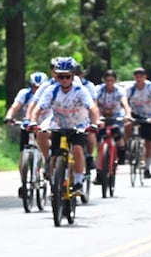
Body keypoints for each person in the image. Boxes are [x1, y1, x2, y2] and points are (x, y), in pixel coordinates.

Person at [28, 57, 99, 199]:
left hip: (78, 125)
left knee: (78, 150)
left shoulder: (80, 90)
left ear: (73, 76)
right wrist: (33, 121)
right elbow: (38, 108)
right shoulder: (51, 90)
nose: (65, 80)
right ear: (56, 76)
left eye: (68, 76)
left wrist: (94, 124)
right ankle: (55, 184)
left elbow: (92, 108)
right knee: (54, 156)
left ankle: (78, 182)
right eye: (61, 76)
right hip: (59, 125)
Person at [5, 71, 49, 196]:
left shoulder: (49, 95)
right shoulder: (24, 94)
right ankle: (24, 183)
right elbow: (15, 106)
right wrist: (9, 117)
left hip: (44, 126)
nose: (37, 90)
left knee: (47, 146)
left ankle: (47, 166)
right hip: (28, 125)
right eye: (34, 87)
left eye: (39, 87)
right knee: (22, 155)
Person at [93, 69, 132, 183]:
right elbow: (94, 104)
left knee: (117, 133)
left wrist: (128, 114)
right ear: (104, 80)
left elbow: (125, 103)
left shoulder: (119, 91)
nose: (109, 83)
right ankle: (99, 171)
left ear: (115, 81)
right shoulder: (98, 90)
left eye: (112, 80)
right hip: (101, 117)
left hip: (116, 117)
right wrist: (96, 118)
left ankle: (121, 155)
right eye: (107, 80)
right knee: (99, 143)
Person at [125, 67, 151, 179]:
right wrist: (127, 114)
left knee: (148, 142)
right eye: (137, 77)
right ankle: (128, 145)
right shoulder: (130, 88)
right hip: (135, 113)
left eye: (141, 76)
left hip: (149, 115)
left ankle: (147, 168)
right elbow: (125, 101)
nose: (139, 79)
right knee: (127, 124)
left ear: (145, 77)